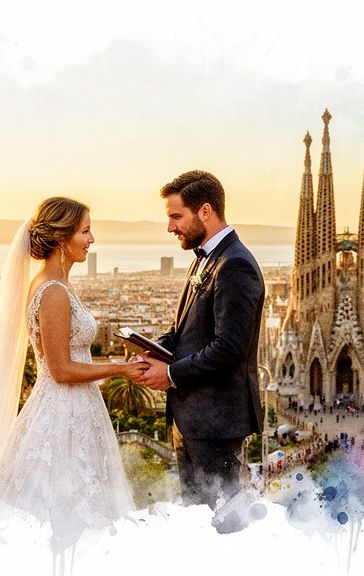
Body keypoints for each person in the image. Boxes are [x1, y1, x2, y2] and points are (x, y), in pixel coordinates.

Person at [0, 197, 148, 553]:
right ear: (62, 238)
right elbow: (60, 370)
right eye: (85, 231)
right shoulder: (53, 292)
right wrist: (120, 369)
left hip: (74, 407)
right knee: (66, 518)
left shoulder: (55, 285)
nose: (91, 239)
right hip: (63, 411)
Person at [134, 170, 265, 533]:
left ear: (205, 211)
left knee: (222, 526)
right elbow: (186, 332)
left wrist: (169, 374)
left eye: (176, 216)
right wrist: (154, 351)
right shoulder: (206, 258)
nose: (170, 227)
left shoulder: (235, 264)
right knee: (198, 523)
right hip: (192, 419)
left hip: (216, 423)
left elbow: (230, 348)